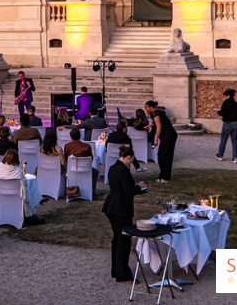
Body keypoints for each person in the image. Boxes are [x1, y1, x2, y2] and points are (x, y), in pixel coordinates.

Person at [102, 145, 148, 283]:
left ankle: (116, 270)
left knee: (117, 238)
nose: (131, 163)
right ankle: (123, 274)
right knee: (124, 240)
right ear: (128, 158)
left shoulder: (113, 168)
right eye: (131, 160)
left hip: (111, 206)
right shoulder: (123, 171)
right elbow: (128, 191)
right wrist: (139, 187)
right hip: (121, 208)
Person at [0, 149, 42, 224]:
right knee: (30, 191)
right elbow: (25, 188)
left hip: (1, 196)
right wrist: (27, 200)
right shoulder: (18, 171)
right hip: (15, 197)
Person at [145, 101, 177, 182]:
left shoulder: (155, 114)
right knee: (164, 155)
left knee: (164, 156)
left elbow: (159, 127)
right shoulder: (159, 112)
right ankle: (164, 176)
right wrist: (151, 125)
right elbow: (160, 123)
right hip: (170, 135)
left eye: (146, 108)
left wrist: (156, 139)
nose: (146, 110)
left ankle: (165, 177)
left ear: (150, 107)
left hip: (168, 136)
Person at [64, 128, 98, 195]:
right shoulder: (87, 146)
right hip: (85, 169)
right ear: (80, 136)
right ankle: (92, 191)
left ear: (70, 137)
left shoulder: (67, 146)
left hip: (72, 168)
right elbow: (90, 159)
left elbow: (66, 158)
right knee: (95, 172)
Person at [215, 89, 237, 164]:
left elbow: (223, 113)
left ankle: (220, 155)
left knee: (223, 140)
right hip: (235, 123)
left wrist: (218, 112)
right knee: (234, 141)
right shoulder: (236, 104)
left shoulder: (226, 103)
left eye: (225, 96)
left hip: (227, 123)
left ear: (228, 95)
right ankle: (235, 158)